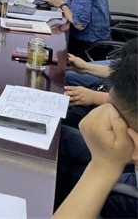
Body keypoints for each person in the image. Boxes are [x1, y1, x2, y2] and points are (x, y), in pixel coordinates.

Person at [54, 39, 138, 219]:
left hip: (129, 192)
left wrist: (103, 167)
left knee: (64, 146)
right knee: (63, 137)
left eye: (113, 111)